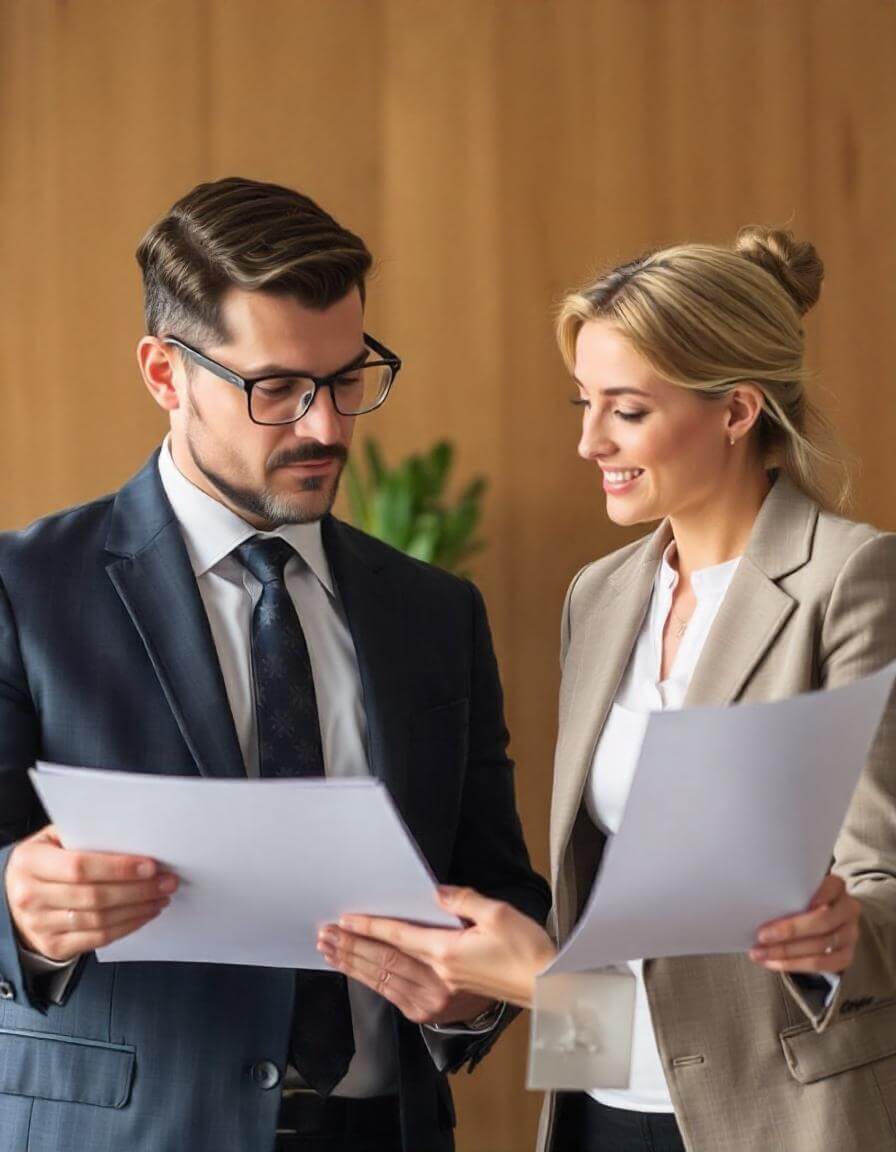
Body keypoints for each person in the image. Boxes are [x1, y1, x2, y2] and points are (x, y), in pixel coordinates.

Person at [0, 176, 550, 1152]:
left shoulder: (435, 614)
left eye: (347, 379)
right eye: (277, 389)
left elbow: (496, 892)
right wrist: (19, 909)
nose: (327, 428)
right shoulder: (23, 588)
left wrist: (467, 1000)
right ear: (165, 374)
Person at [322, 228, 896, 1151]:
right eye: (584, 403)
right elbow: (597, 890)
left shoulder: (852, 578)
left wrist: (843, 934)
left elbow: (884, 881)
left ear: (738, 410)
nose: (590, 441)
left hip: (773, 1112)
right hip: (602, 1103)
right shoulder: (603, 594)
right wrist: (526, 986)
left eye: (625, 411)